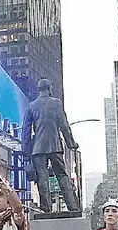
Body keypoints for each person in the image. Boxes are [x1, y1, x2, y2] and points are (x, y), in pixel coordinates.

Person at [22, 77, 81, 212]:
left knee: (42, 178)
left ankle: (46, 208)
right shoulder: (56, 103)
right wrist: (70, 143)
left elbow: (25, 130)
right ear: (49, 89)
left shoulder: (31, 106)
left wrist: (26, 149)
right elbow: (64, 125)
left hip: (38, 148)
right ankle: (72, 207)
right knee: (62, 175)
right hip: (54, 145)